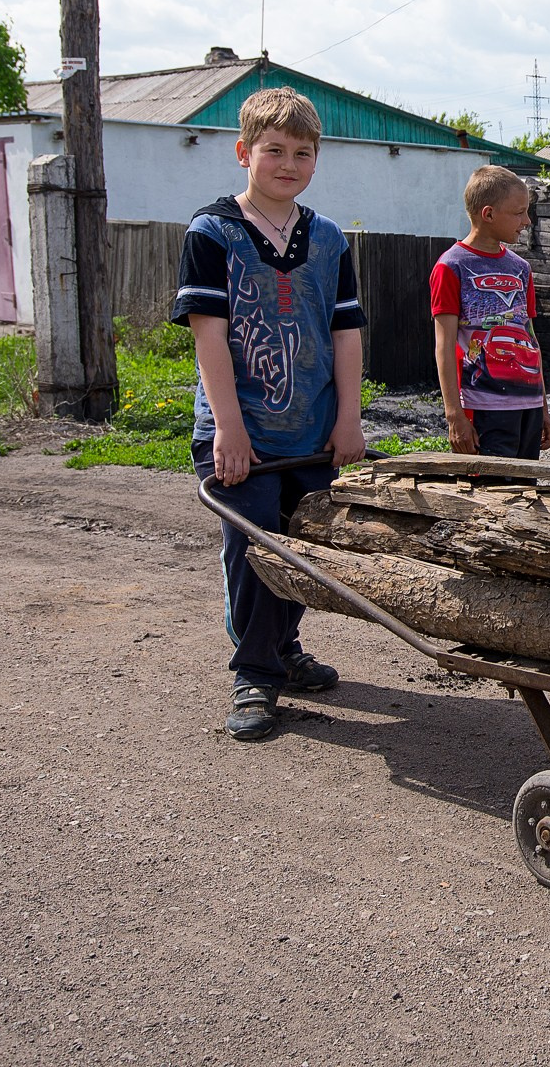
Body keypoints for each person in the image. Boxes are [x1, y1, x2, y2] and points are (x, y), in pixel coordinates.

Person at [172, 86, 368, 743]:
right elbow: (208, 334)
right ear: (243, 152)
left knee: (304, 546)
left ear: (317, 159)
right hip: (241, 432)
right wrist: (228, 426)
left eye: (302, 152)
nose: (288, 162)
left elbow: (345, 334)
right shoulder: (213, 233)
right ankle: (254, 673)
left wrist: (348, 418)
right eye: (274, 149)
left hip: (311, 431)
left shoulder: (331, 239)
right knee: (256, 543)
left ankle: (283, 648)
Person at [431, 166, 550, 460]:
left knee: (525, 493)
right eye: (519, 212)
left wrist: (544, 408)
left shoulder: (521, 269)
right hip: (484, 406)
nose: (527, 222)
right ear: (488, 214)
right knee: (488, 495)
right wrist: (454, 416)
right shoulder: (451, 267)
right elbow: (444, 347)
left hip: (529, 407)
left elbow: (531, 340)